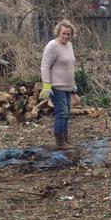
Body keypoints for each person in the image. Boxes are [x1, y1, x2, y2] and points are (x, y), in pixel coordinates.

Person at [40, 19, 76, 150]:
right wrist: (47, 85)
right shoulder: (52, 46)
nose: (66, 36)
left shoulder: (69, 45)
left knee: (67, 113)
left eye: (68, 34)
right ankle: (60, 141)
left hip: (67, 86)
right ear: (58, 33)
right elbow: (45, 66)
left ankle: (65, 138)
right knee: (62, 113)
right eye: (63, 34)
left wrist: (73, 82)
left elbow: (70, 65)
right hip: (56, 86)